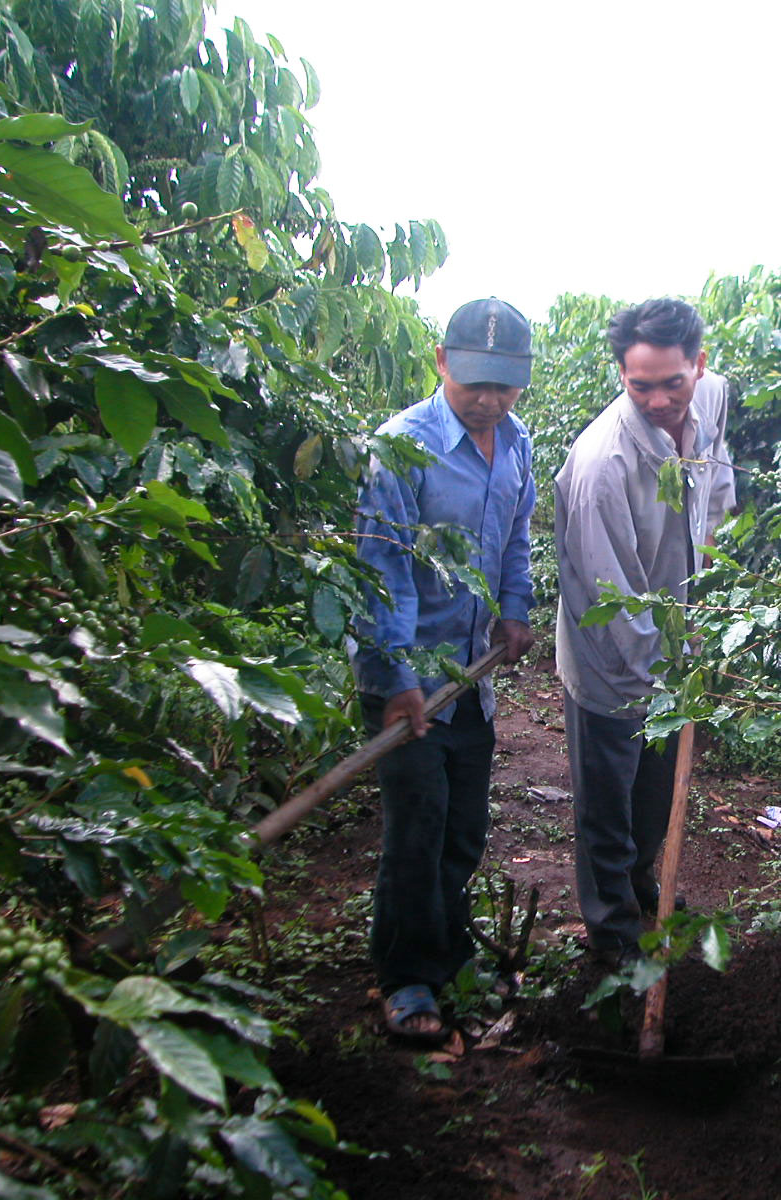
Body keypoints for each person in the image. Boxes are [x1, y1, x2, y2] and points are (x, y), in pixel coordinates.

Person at [351, 297, 537, 1041]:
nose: (489, 401)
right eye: (474, 386)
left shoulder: (517, 443)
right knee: (417, 831)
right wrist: (396, 679)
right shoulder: (401, 449)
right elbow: (379, 571)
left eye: (504, 386)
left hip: (473, 682)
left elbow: (516, 537)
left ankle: (451, 953)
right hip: (409, 685)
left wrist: (513, 607)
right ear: (440, 364)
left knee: (463, 830)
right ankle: (406, 980)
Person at [554, 297, 735, 963]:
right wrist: (660, 690)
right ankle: (614, 939)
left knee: (655, 800)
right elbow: (613, 606)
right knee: (610, 806)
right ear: (620, 378)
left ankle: (642, 886)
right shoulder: (604, 466)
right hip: (611, 658)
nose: (659, 400)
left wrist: (708, 580)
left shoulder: (710, 400)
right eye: (640, 386)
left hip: (675, 644)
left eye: (672, 382)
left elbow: (716, 493)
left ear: (699, 366)